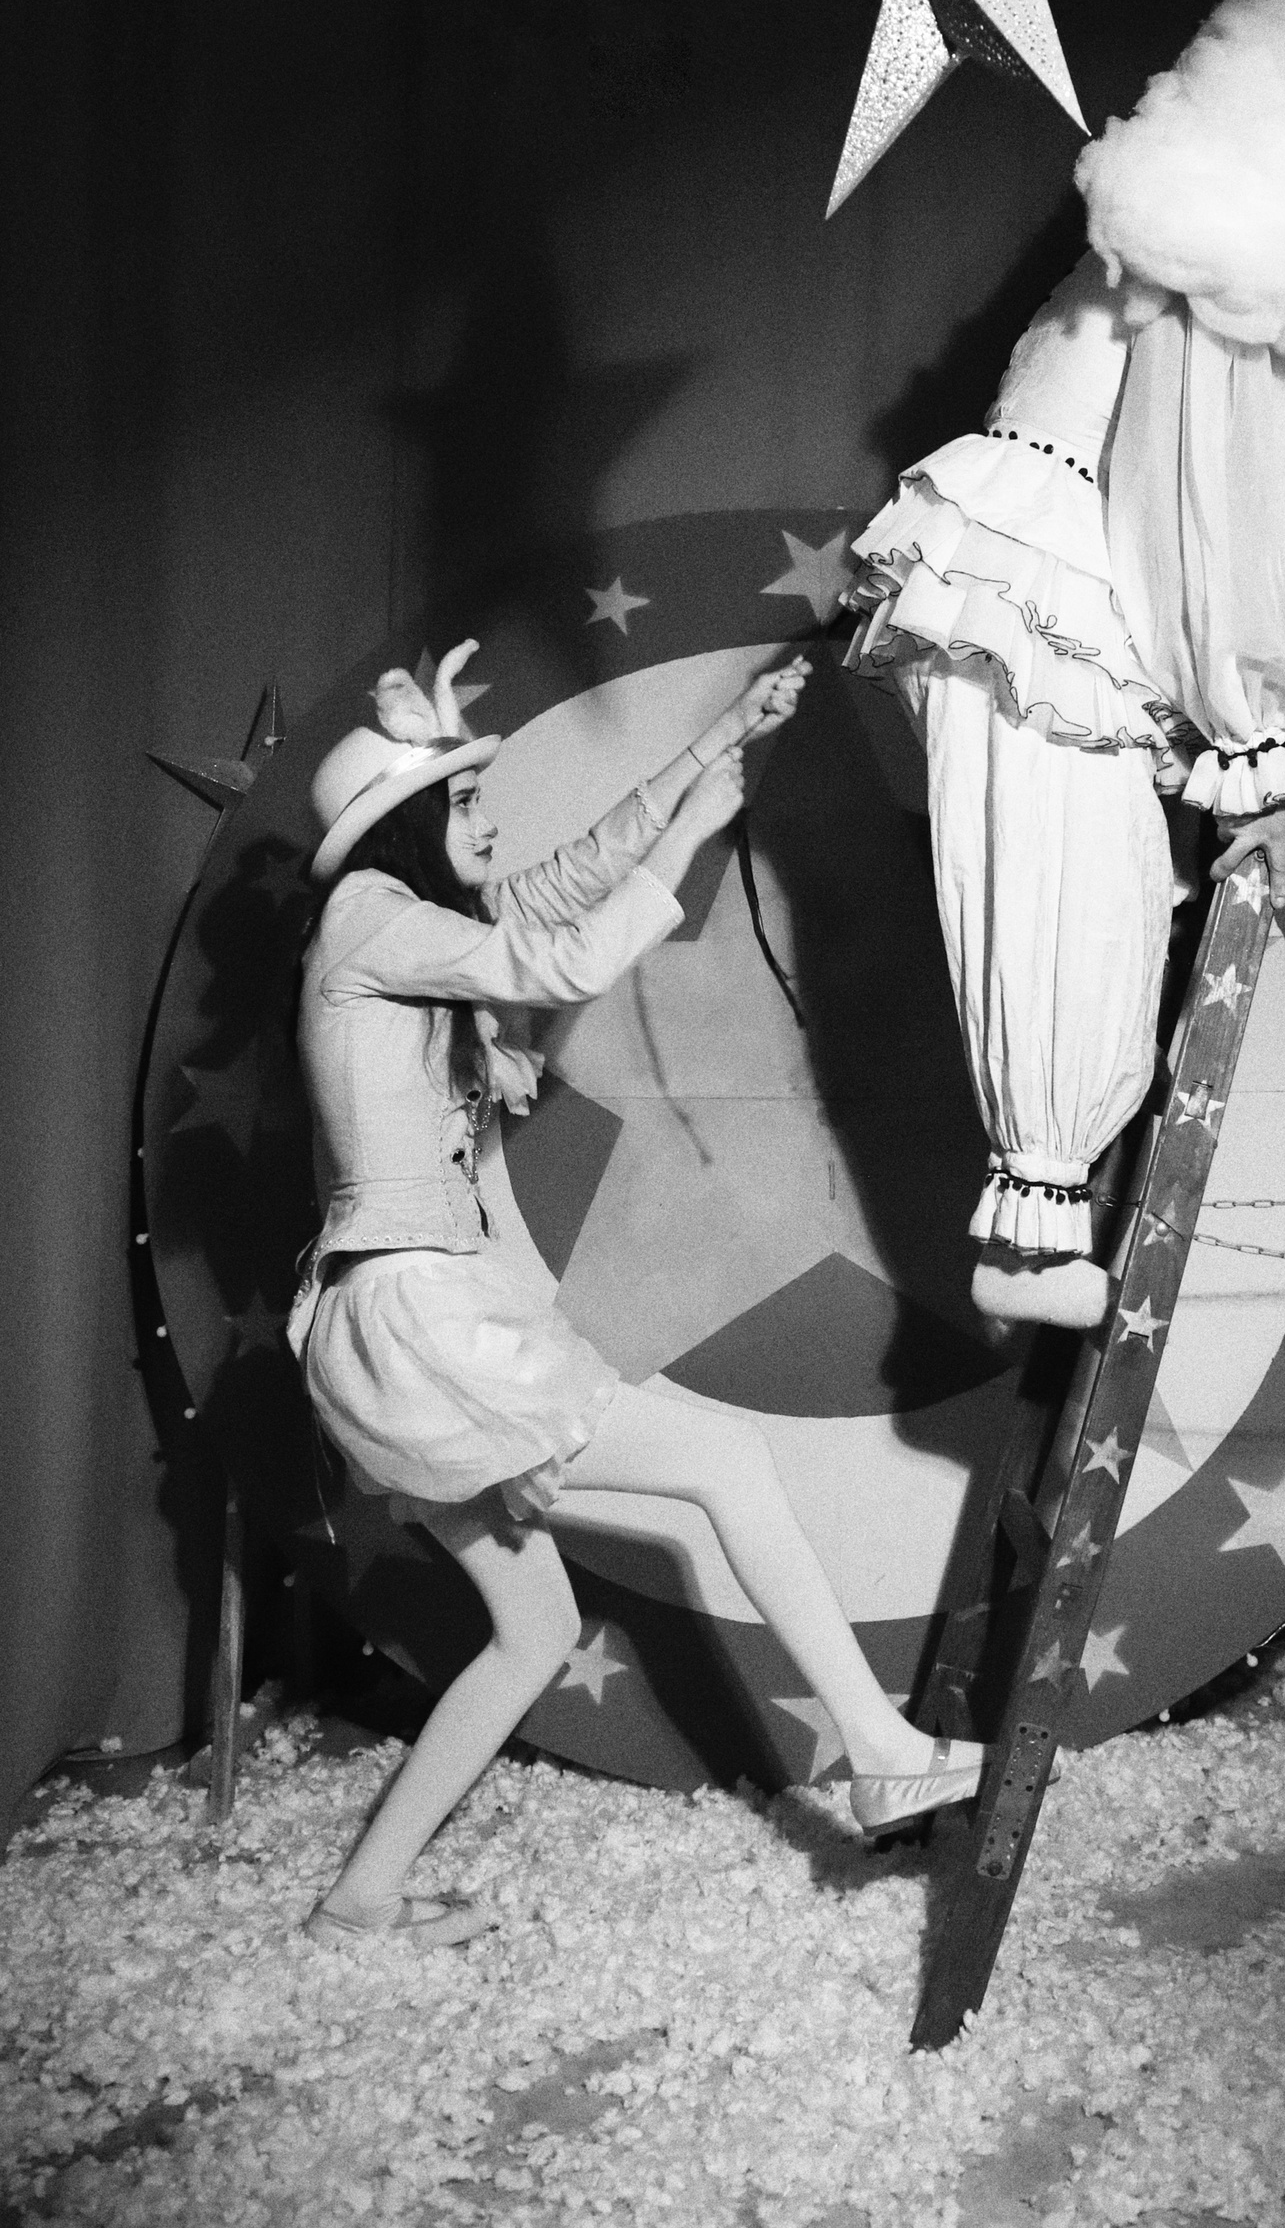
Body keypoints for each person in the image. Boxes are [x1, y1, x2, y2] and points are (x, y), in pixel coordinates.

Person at [289, 643, 981, 1946]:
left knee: (531, 1629)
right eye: (464, 798)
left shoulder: (413, 926)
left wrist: (716, 751)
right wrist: (689, 829)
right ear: (404, 822)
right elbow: (558, 959)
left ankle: (359, 1902)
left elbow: (568, 882)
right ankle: (884, 1752)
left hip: (413, 1319)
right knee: (727, 1462)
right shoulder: (366, 916)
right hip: (415, 1323)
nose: (489, 816)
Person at [845, 252, 1285, 1328]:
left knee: (1083, 887)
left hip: (1021, 574)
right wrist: (1255, 746)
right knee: (1066, 896)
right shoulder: (1220, 271)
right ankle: (1033, 1233)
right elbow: (1211, 525)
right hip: (1042, 584)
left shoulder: (1171, 256)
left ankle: (1042, 1201)